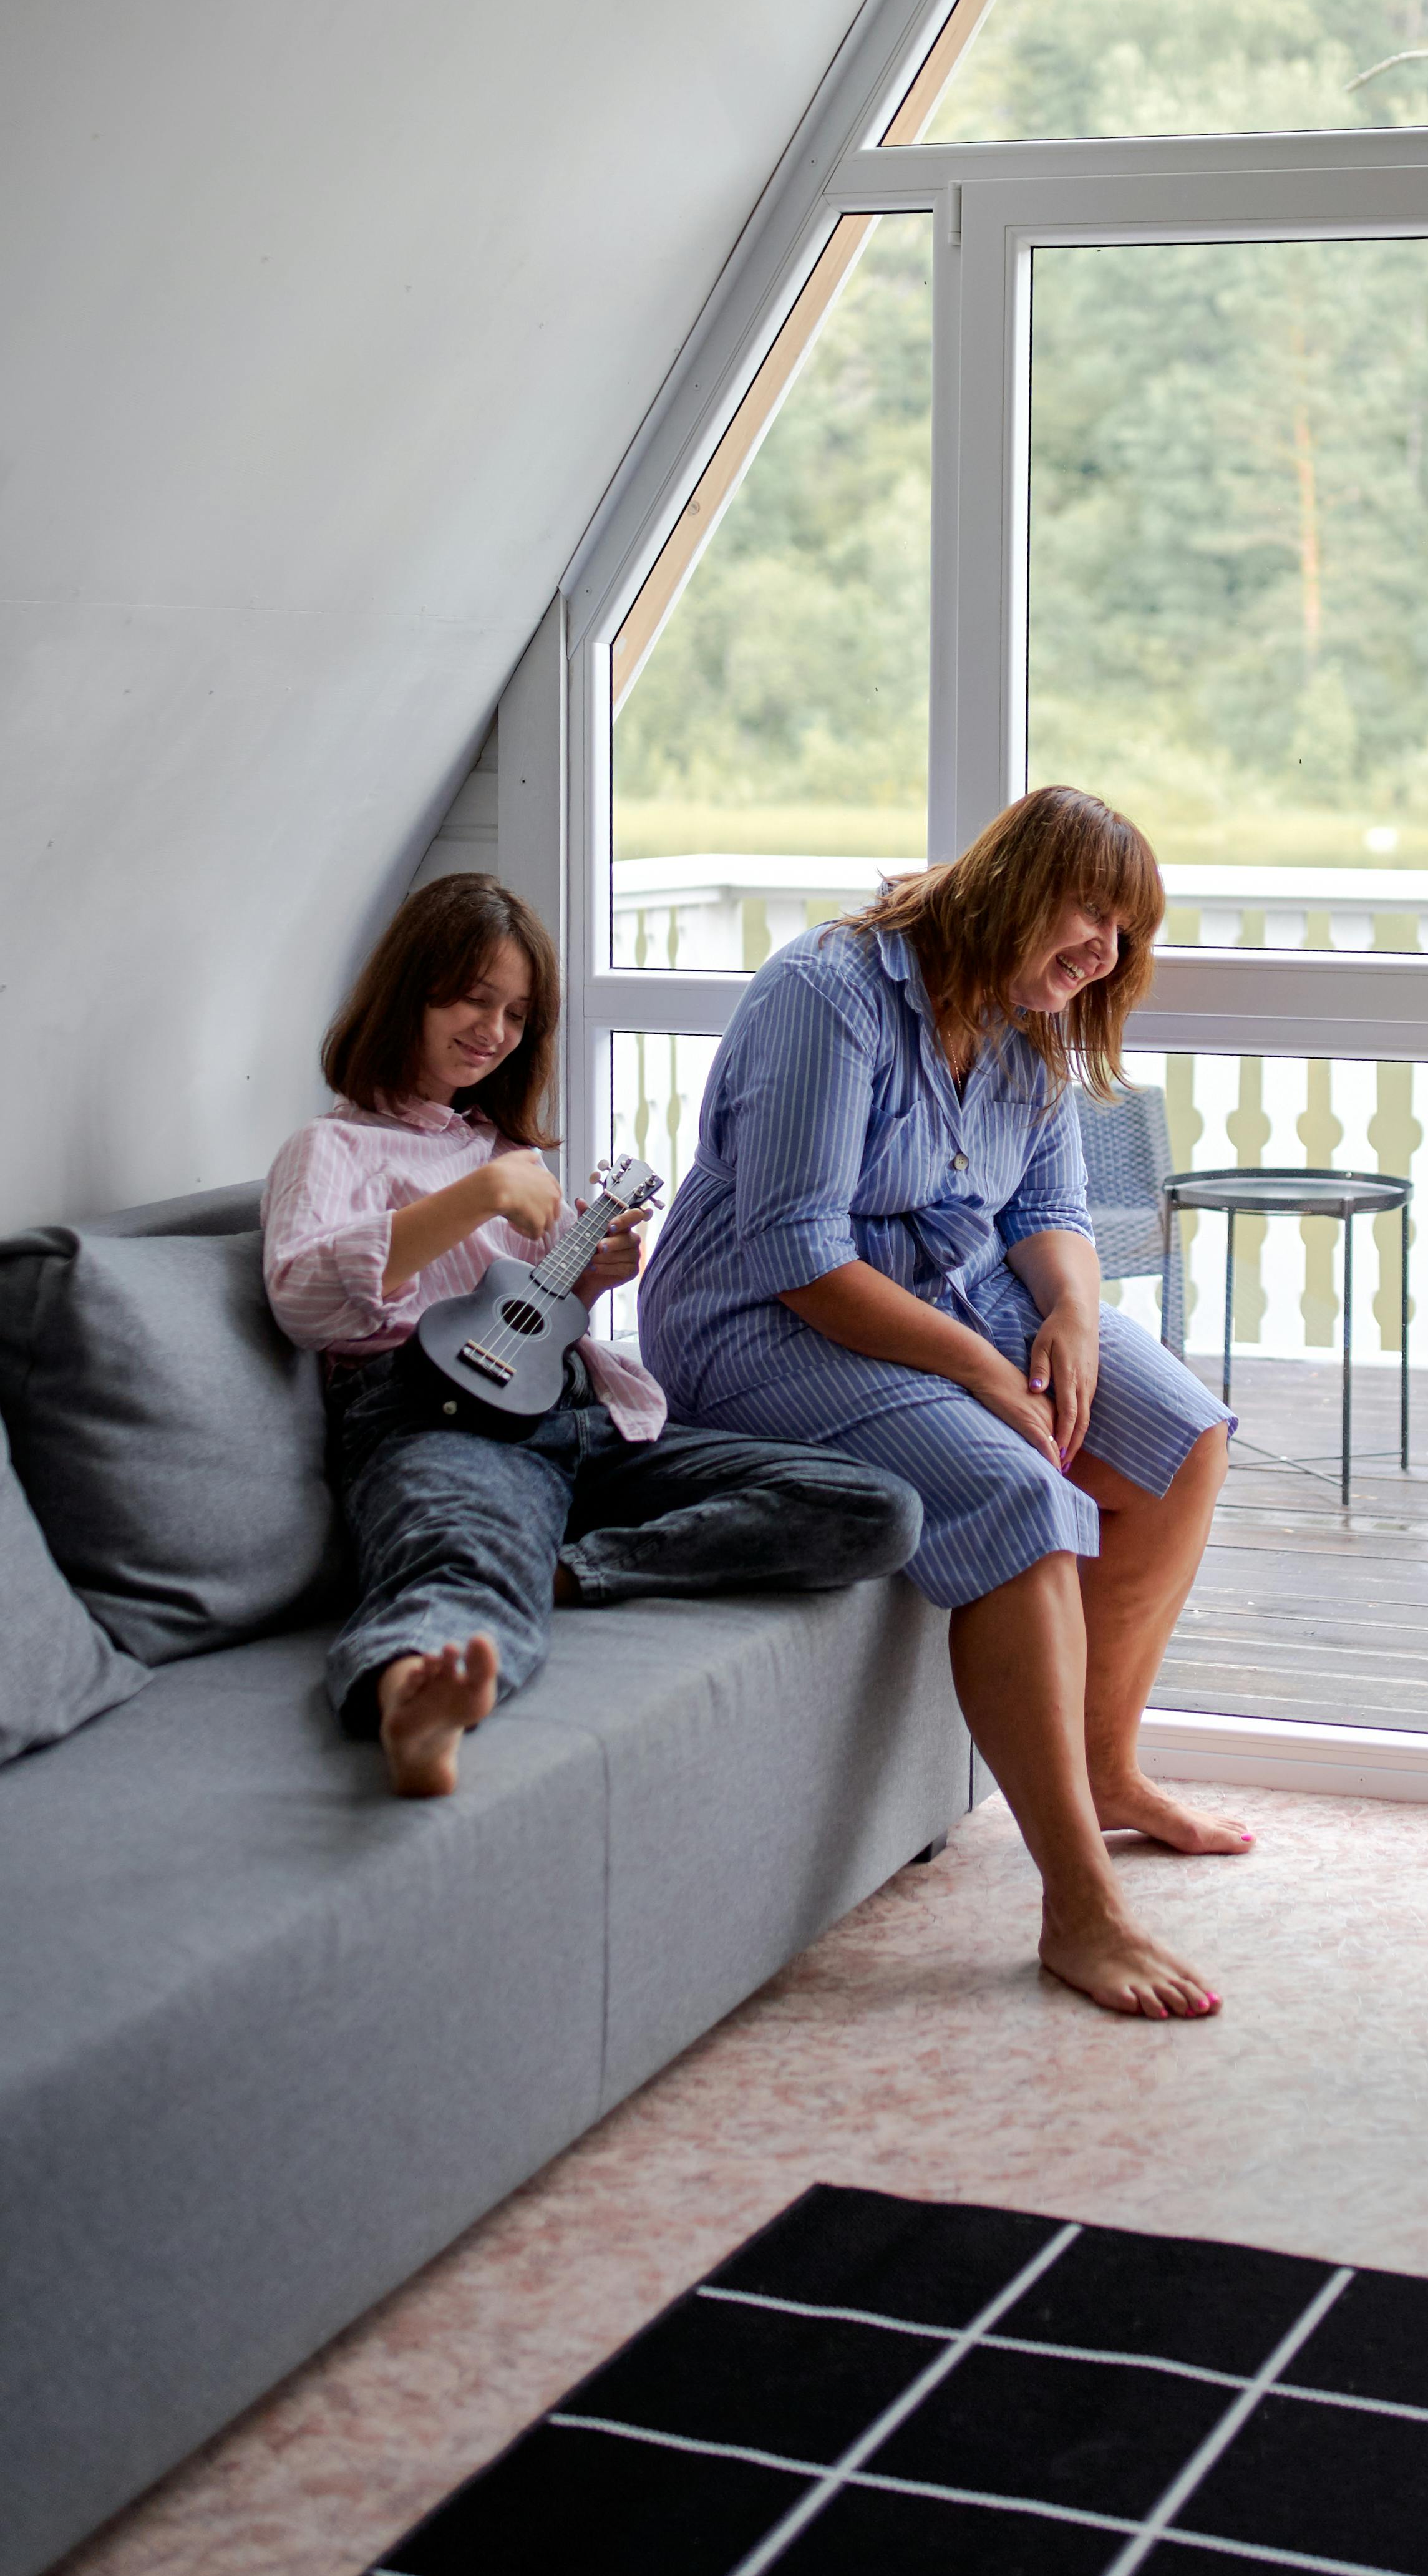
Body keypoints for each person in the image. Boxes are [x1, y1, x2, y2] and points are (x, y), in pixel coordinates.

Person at [638, 788, 1241, 2023]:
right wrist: (980, 1372)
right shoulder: (828, 992)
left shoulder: (1034, 1018)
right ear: (1012, 887)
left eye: (1126, 932)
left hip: (952, 1295)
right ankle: (1078, 1904)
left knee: (1183, 1438)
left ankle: (1108, 1766)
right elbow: (800, 1251)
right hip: (762, 1319)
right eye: (1090, 914)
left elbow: (1050, 1215)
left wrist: (1071, 1313)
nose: (1104, 952)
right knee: (1020, 1489)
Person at [263, 875, 923, 1799]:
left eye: (517, 1012)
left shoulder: (500, 1151)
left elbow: (525, 1309)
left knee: (876, 1508)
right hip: (433, 1419)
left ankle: (573, 1569)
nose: (494, 1029)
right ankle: (413, 1697)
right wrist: (480, 1197)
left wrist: (588, 1271)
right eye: (471, 997)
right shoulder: (330, 1151)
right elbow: (303, 1299)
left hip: (573, 1419)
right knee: (461, 1558)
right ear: (407, 988)